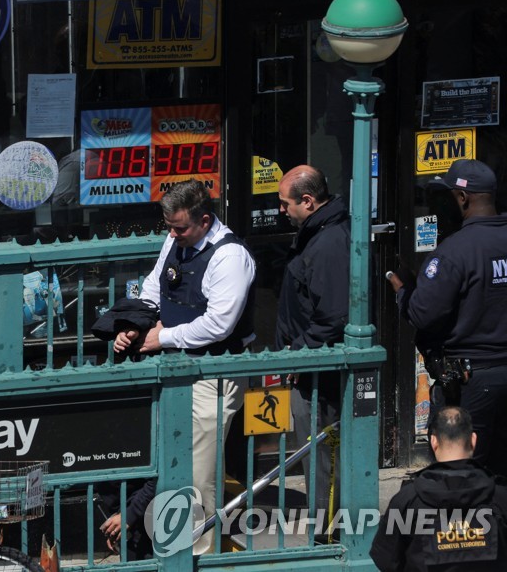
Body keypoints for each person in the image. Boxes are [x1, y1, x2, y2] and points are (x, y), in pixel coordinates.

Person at [100, 179, 256, 555]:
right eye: (169, 226)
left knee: (199, 474)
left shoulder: (230, 256)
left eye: (180, 227)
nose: (172, 234)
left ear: (205, 219)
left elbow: (219, 324)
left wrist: (161, 337)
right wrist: (134, 328)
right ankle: (166, 545)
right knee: (162, 460)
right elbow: (154, 287)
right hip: (172, 368)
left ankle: (199, 556)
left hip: (212, 374)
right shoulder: (178, 239)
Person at [386, 159, 507, 477]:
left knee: (460, 475)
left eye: (444, 198)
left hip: (471, 382)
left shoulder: (453, 252)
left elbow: (422, 314)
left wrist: (403, 291)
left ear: (462, 199)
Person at [274, 164, 350, 536]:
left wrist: (298, 352)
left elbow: (333, 315)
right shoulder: (316, 235)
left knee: (324, 455)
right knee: (316, 454)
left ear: (307, 200)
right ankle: (325, 527)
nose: (281, 211)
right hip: (309, 366)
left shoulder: (329, 242)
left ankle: (327, 534)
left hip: (319, 371)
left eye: (285, 203)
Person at [370, 407, 507, 571]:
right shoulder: (500, 498)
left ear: (434, 441)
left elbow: (386, 560)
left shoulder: (407, 500)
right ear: (473, 440)